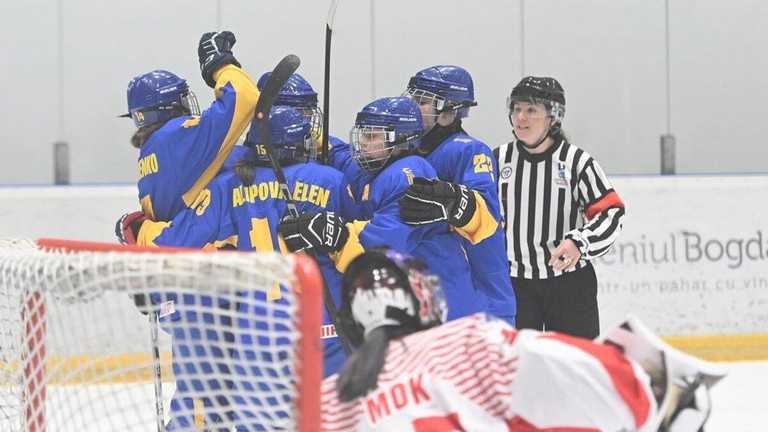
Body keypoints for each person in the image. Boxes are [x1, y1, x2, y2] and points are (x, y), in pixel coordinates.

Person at [119, 106, 356, 429]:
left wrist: (140, 231)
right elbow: (365, 240)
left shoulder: (228, 186)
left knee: (256, 423)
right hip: (323, 325)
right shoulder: (332, 181)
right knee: (333, 419)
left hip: (258, 330)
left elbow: (174, 242)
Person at [320, 248, 726, 432]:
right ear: (424, 299)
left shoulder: (322, 402)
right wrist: (663, 389)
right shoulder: (464, 344)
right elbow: (617, 384)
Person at [278, 96, 486, 321]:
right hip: (417, 299)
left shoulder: (410, 175)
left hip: (443, 304)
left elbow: (381, 246)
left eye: (371, 136)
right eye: (362, 134)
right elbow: (341, 155)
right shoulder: (378, 169)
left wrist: (335, 234)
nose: (363, 143)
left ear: (400, 140)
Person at [494, 76, 625, 338]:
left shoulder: (577, 162)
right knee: (517, 368)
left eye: (531, 110)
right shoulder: (497, 160)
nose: (521, 117)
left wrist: (580, 243)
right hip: (513, 284)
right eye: (517, 109)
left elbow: (611, 213)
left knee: (575, 366)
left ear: (554, 117)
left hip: (569, 285)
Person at [397, 65, 516, 325]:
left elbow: (487, 217)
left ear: (448, 109)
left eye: (422, 101)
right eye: (413, 98)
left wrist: (454, 201)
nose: (412, 107)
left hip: (482, 302)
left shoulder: (470, 151)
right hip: (437, 301)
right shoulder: (411, 153)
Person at [117, 31, 260, 234]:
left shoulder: (151, 153)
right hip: (212, 251)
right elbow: (243, 95)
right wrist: (220, 65)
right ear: (169, 108)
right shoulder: (175, 138)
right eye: (182, 101)